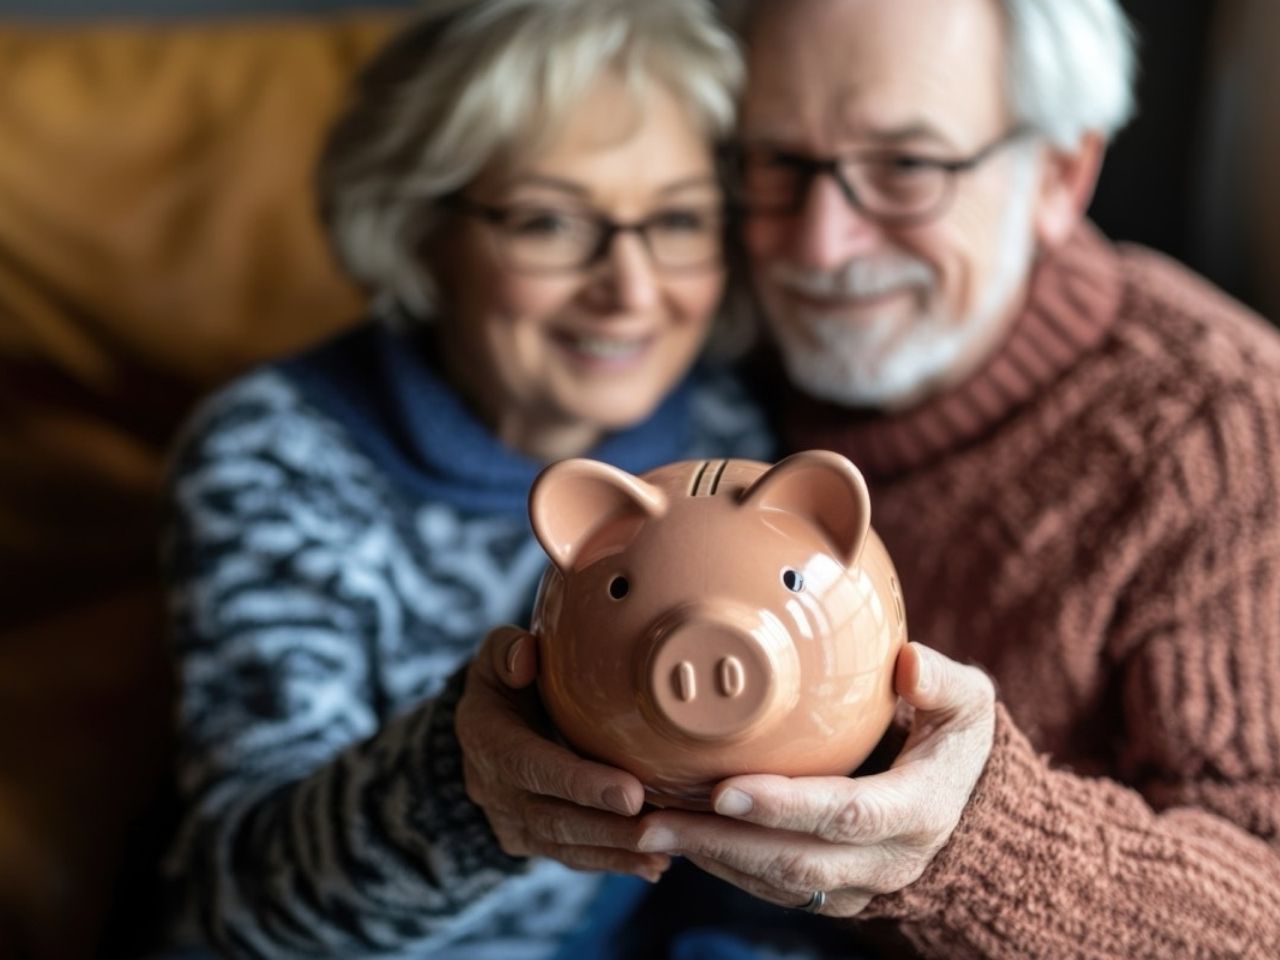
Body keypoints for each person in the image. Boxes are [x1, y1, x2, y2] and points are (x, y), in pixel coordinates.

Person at [473, 0, 1280, 956]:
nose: (820, 246)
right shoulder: (686, 335)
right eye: (780, 161)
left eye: (906, 168)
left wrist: (983, 849)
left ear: (1059, 175)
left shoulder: (1224, 437)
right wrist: (483, 748)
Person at [157, 0, 772, 956]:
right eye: (550, 222)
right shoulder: (277, 456)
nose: (632, 290)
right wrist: (470, 782)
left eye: (680, 219)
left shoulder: (726, 438)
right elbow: (250, 907)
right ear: (418, 227)